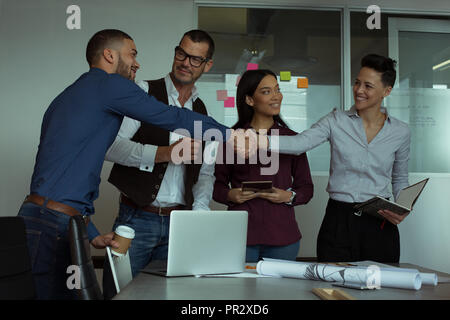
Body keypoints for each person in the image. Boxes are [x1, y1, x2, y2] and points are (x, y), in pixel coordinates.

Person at [16, 29, 246, 300]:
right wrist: (231, 133)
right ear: (110, 55)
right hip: (52, 222)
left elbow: (66, 174)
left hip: (53, 219)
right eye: (132, 54)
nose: (137, 63)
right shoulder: (110, 85)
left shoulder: (69, 96)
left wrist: (90, 232)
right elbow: (169, 116)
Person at [260, 54, 410, 263]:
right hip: (338, 219)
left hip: (380, 221)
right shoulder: (336, 120)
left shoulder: (401, 132)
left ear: (387, 91)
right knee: (333, 289)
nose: (359, 90)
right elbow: (299, 143)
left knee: (381, 289)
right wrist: (258, 140)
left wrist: (402, 208)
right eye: (357, 83)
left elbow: (400, 178)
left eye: (368, 86)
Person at [104, 30, 217, 282]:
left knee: (167, 295)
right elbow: (110, 147)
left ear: (207, 65)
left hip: (180, 224)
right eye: (181, 53)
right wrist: (164, 153)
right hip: (135, 219)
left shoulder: (202, 111)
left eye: (195, 59)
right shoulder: (142, 92)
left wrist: (199, 214)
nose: (185, 62)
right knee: (120, 293)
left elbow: (206, 173)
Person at [213, 69, 314, 262]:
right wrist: (229, 194)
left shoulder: (293, 140)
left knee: (278, 294)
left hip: (283, 238)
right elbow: (216, 185)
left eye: (277, 89)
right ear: (250, 100)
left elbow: (307, 188)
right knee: (240, 292)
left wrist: (288, 196)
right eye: (267, 92)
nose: (276, 96)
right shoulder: (231, 139)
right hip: (240, 235)